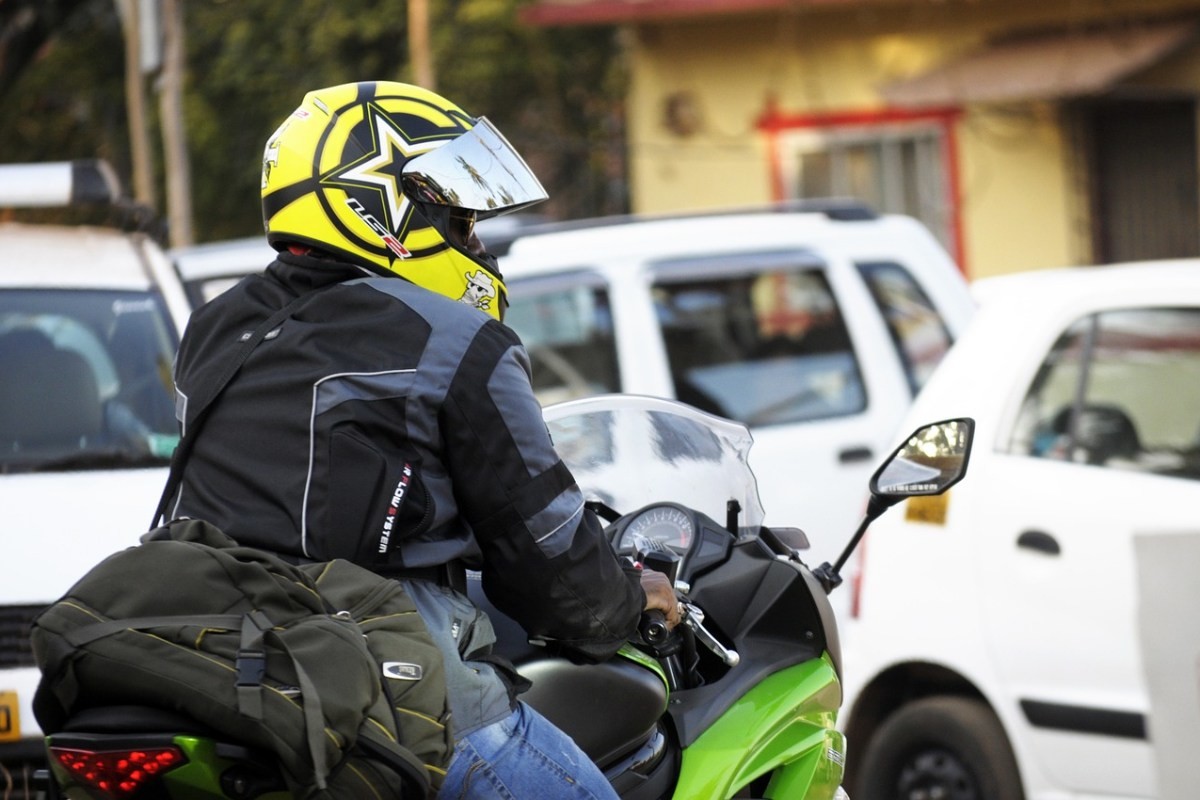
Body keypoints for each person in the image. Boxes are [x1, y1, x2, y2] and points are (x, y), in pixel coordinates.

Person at [163, 80, 681, 799]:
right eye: (459, 220)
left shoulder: (214, 329)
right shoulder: (461, 344)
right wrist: (635, 598)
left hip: (222, 679)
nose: (475, 245)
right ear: (381, 208)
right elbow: (558, 578)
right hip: (396, 702)